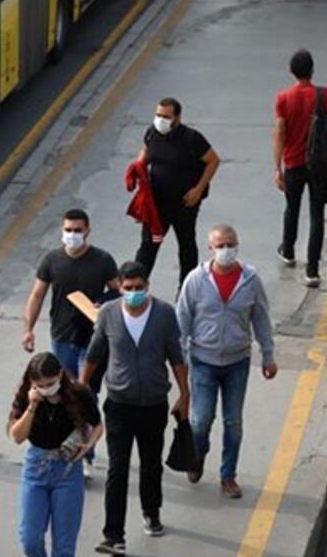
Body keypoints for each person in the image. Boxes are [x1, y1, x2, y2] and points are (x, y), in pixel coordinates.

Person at [81, 261, 190, 555]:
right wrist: (82, 389)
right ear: (119, 287)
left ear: (147, 287)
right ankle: (113, 534)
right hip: (119, 405)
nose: (133, 294)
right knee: (118, 468)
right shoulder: (108, 314)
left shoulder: (165, 314)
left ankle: (151, 512)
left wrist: (184, 394)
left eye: (138, 288)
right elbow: (94, 354)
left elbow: (176, 357)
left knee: (150, 463)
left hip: (154, 404)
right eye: (127, 289)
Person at [176, 224, 277, 498]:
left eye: (230, 244)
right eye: (220, 246)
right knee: (201, 419)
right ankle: (197, 456)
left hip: (237, 362)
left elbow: (261, 318)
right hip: (203, 361)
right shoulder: (196, 280)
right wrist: (179, 361)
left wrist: (268, 354)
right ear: (210, 248)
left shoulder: (250, 279)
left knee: (233, 422)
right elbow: (182, 321)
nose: (226, 250)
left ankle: (228, 476)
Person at [9, 352, 104, 557]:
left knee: (64, 547)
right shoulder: (27, 396)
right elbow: (16, 436)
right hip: (36, 466)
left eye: (49, 383)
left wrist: (88, 446)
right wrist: (33, 405)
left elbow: (97, 424)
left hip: (68, 470)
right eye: (39, 385)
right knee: (30, 540)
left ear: (60, 374)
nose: (45, 388)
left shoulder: (79, 394)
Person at [273, 49, 327, 287]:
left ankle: (288, 250)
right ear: (312, 70)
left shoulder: (283, 98)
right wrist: (326, 148)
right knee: (317, 215)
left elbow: (280, 133)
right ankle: (312, 270)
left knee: (292, 208)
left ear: (291, 71)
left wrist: (277, 167)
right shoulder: (325, 95)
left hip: (293, 163)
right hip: (318, 166)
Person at [22, 209, 120, 375]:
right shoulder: (51, 260)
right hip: (62, 336)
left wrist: (102, 301)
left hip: (93, 336)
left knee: (86, 391)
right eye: (68, 230)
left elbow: (118, 291)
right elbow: (37, 295)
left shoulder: (102, 260)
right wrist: (28, 330)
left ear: (87, 231)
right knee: (67, 389)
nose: (72, 234)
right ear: (62, 229)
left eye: (77, 230)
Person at [134, 98, 220, 285]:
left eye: (166, 116)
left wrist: (198, 189)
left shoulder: (192, 138)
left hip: (184, 204)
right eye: (158, 115)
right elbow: (147, 151)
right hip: (157, 204)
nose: (160, 120)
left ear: (177, 118)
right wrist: (139, 165)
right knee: (149, 245)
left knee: (186, 244)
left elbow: (213, 161)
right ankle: (136, 286)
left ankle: (187, 289)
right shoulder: (152, 133)